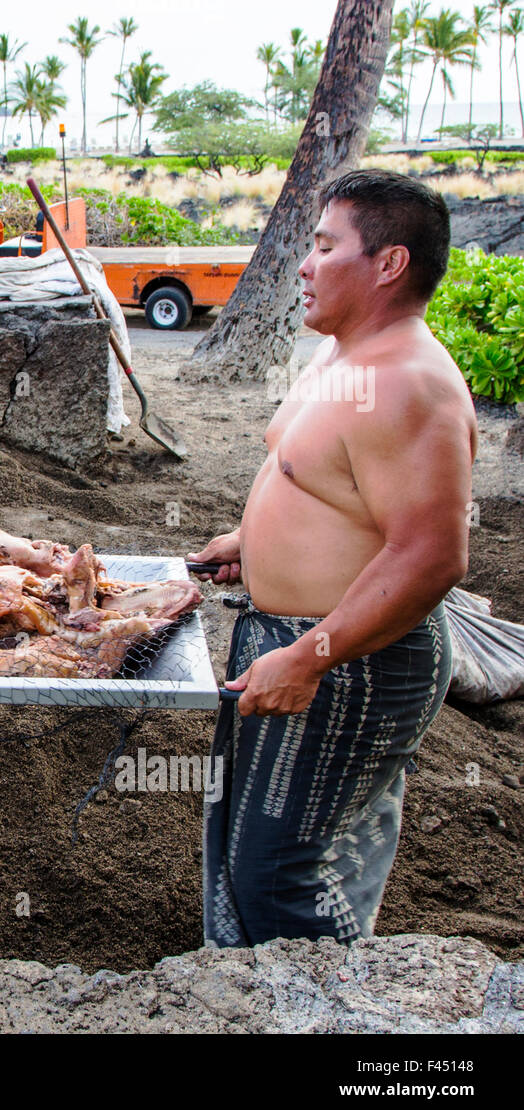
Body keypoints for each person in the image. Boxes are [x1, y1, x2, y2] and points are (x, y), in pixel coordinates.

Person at [188, 169, 476, 948]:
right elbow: (338, 490)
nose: (304, 265)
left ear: (388, 264)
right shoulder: (346, 357)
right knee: (257, 855)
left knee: (280, 876)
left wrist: (311, 656)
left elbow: (431, 555)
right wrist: (252, 543)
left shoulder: (407, 383)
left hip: (349, 663)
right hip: (300, 645)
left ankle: (349, 1024)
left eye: (324, 247)